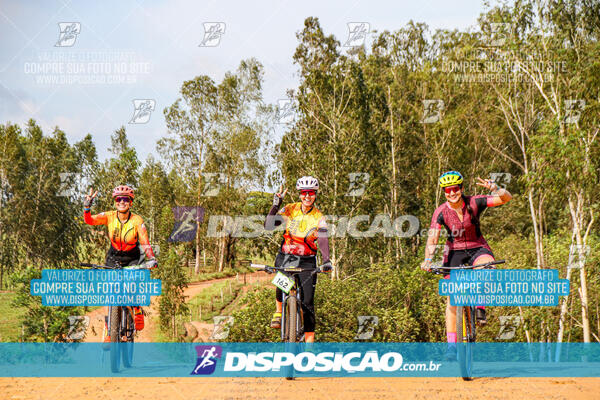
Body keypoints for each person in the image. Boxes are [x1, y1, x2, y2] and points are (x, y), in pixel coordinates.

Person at [420, 171, 512, 359]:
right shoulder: (440, 212)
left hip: (478, 248)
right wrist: (428, 259)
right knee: (452, 300)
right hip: (454, 253)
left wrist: (495, 188)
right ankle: (452, 347)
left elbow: (506, 198)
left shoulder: (474, 202)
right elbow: (432, 239)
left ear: (461, 189)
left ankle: (480, 306)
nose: (452, 193)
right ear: (444, 192)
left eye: (455, 189)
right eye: (448, 190)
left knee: (488, 269)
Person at [83, 185, 157, 342]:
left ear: (131, 202)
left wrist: (151, 258)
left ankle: (136, 307)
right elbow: (89, 220)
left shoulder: (137, 220)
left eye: (125, 199)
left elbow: (144, 241)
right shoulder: (109, 216)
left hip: (132, 258)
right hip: (114, 257)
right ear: (115, 202)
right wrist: (87, 207)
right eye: (118, 199)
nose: (121, 202)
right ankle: (110, 330)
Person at [264, 176, 332, 343]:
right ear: (300, 194)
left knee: (308, 304)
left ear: (315, 194)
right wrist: (276, 204)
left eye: (311, 193)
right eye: (304, 193)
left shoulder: (319, 217)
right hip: (287, 256)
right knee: (281, 280)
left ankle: (308, 346)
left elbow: (323, 239)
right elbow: (268, 226)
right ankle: (279, 312)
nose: (307, 196)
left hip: (307, 260)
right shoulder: (290, 209)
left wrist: (326, 259)